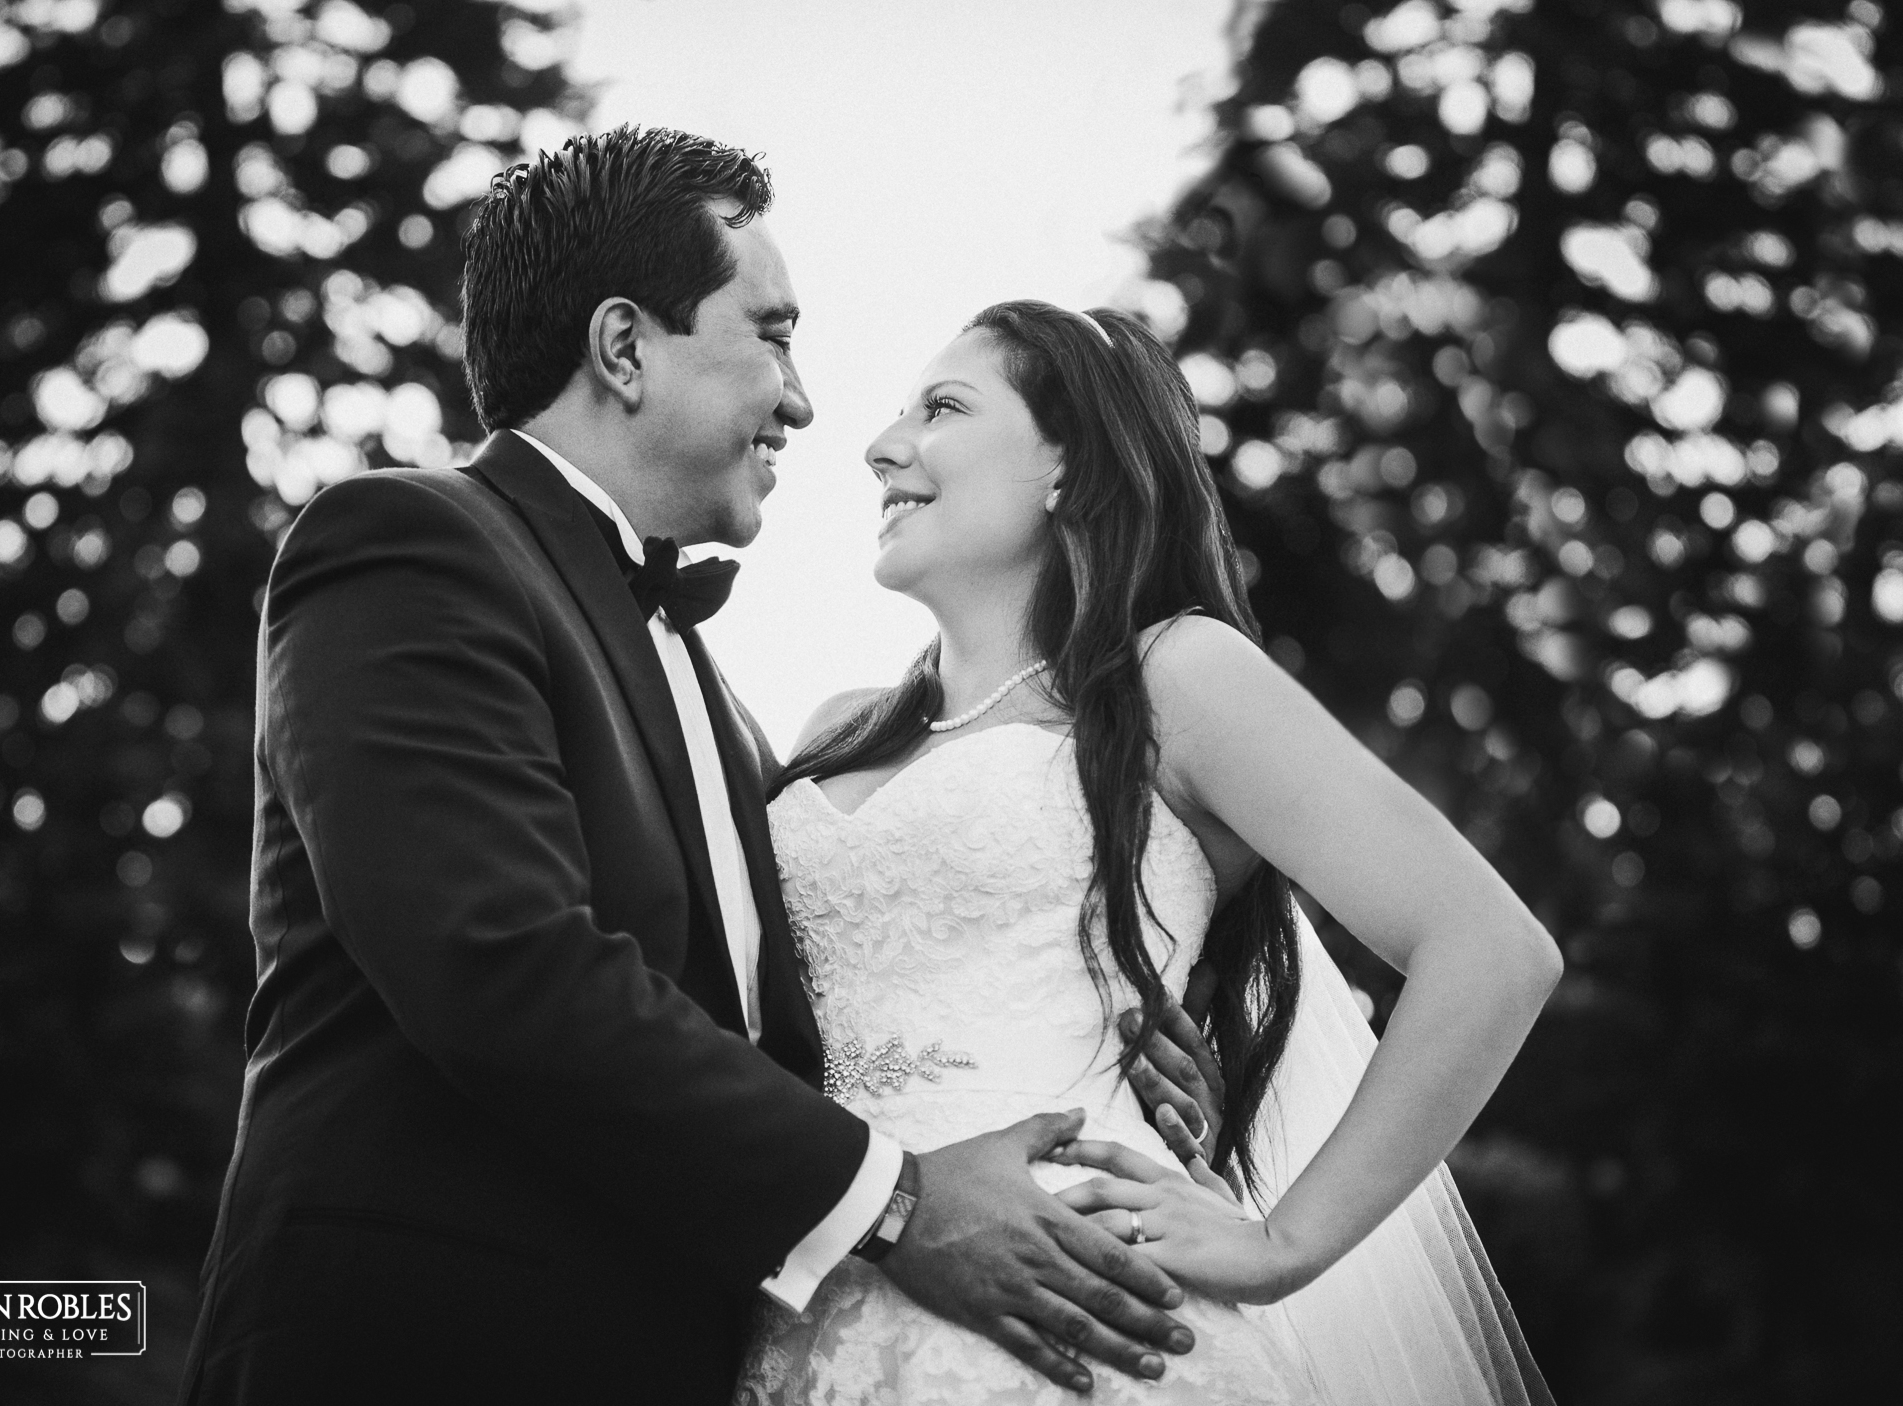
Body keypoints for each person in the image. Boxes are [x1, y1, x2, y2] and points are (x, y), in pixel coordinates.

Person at [178, 130, 1213, 1406]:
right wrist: (901, 1203)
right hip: (419, 1350)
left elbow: (785, 1026)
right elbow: (497, 958)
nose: (803, 399)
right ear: (623, 348)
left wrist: (1090, 1041)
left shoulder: (721, 706)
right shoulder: (408, 543)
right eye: (771, 333)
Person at [735, 301, 1562, 1403]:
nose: (881, 445)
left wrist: (1281, 1246)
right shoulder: (832, 732)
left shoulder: (1173, 676)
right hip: (811, 1306)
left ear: (1069, 465)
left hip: (1080, 1323)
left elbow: (1491, 948)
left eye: (939, 407)